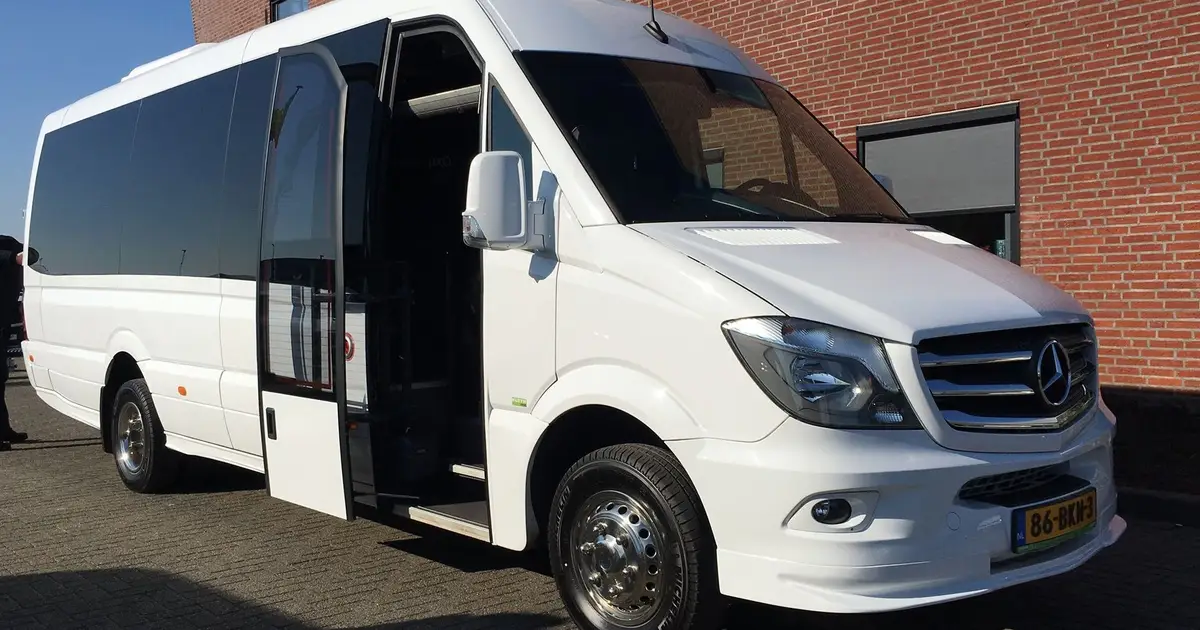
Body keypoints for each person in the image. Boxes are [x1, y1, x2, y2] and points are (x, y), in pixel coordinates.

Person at [0, 235, 35, 451]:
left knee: (0, 379)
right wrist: (16, 257)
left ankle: (3, 430)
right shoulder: (7, 249)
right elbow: (17, 257)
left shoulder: (7, 241)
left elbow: (32, 251)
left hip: (2, 323)